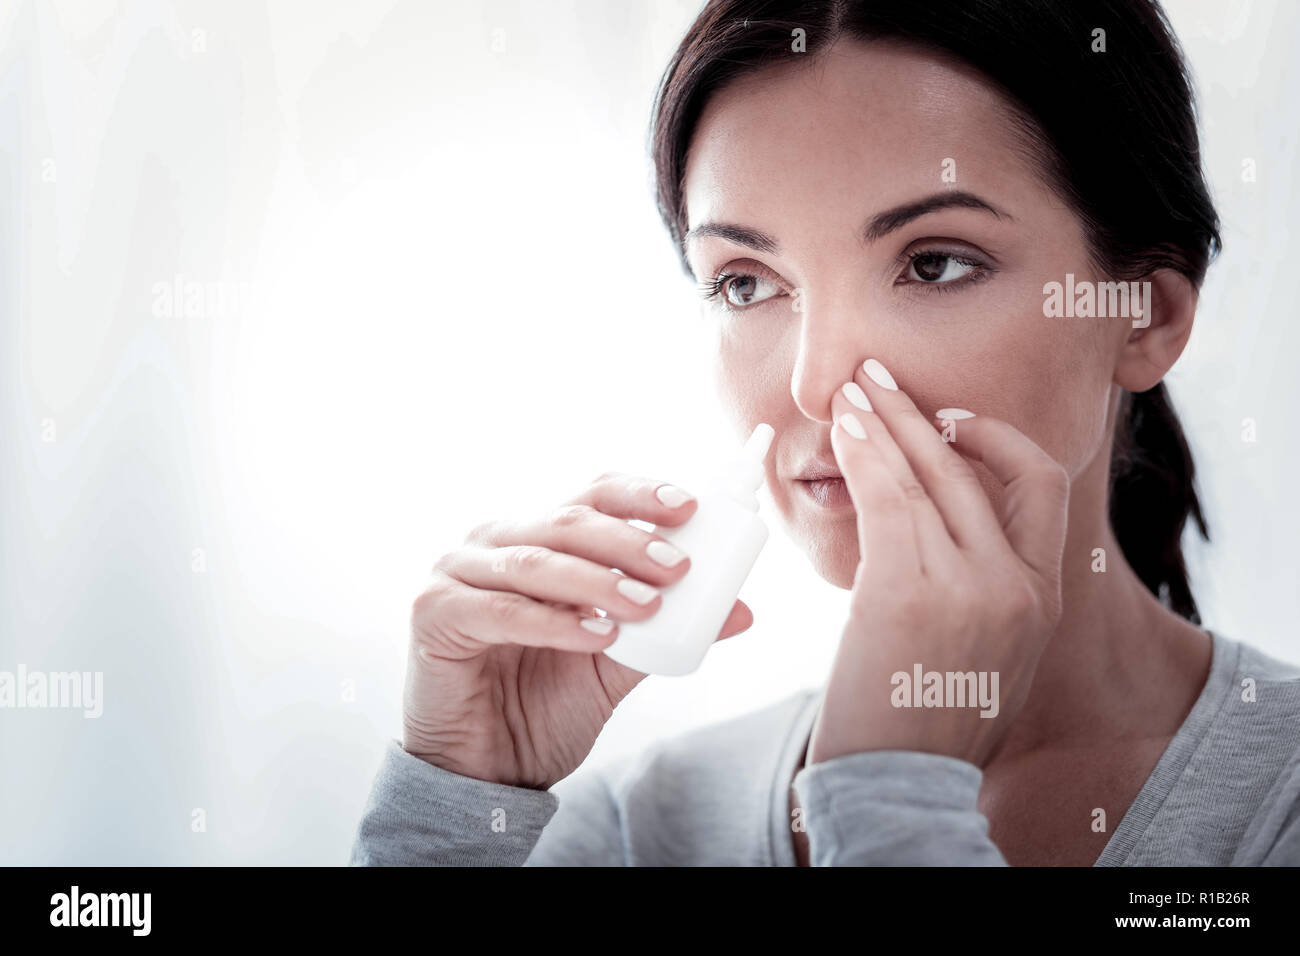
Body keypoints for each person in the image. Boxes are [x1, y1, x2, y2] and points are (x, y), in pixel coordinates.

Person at [349, 0, 1300, 866]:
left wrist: (887, 800)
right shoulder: (639, 828)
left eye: (933, 265)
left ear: (1147, 315)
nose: (812, 384)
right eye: (745, 282)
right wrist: (456, 806)